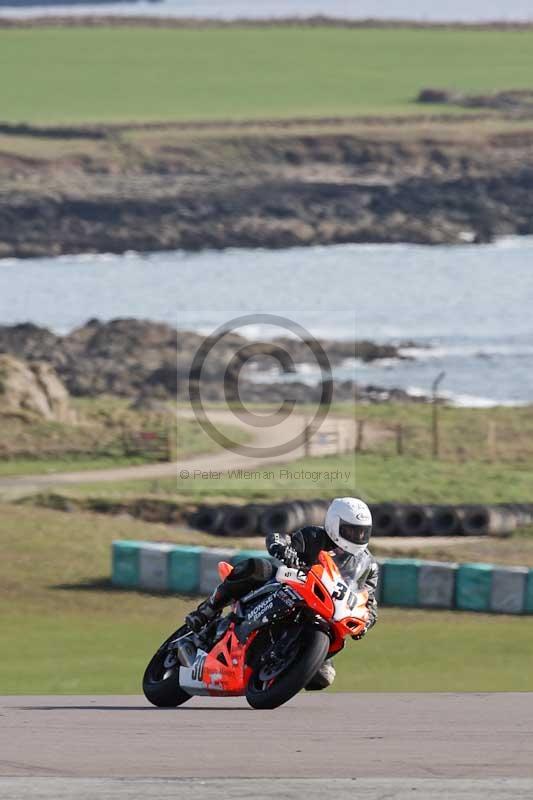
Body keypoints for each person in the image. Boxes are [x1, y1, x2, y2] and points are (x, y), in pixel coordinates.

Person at [185, 497, 379, 690]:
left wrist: (367, 620)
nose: (357, 536)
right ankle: (208, 610)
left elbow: (368, 600)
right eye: (351, 530)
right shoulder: (314, 536)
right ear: (334, 523)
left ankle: (279, 663)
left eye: (362, 532)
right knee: (258, 568)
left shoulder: (368, 565)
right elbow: (280, 538)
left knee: (322, 676)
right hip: (288, 587)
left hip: (325, 610)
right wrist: (283, 549)